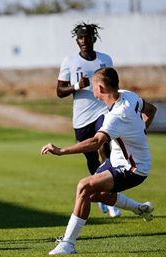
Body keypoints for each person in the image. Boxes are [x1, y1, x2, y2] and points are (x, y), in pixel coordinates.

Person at [41, 67, 157, 255]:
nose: (92, 90)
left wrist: (61, 151)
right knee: (93, 195)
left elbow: (96, 143)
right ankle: (139, 209)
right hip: (118, 160)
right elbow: (151, 110)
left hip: (134, 168)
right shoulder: (129, 95)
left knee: (84, 187)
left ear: (100, 88)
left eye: (93, 87)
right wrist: (140, 132)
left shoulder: (116, 116)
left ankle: (68, 244)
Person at [57, 21, 120, 217]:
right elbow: (59, 91)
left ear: (94, 38)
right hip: (81, 117)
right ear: (77, 41)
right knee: (91, 157)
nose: (84, 41)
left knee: (103, 149)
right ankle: (100, 193)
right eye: (80, 38)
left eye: (87, 37)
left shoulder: (105, 59)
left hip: (103, 112)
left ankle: (111, 196)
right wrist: (77, 86)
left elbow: (112, 84)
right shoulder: (69, 61)